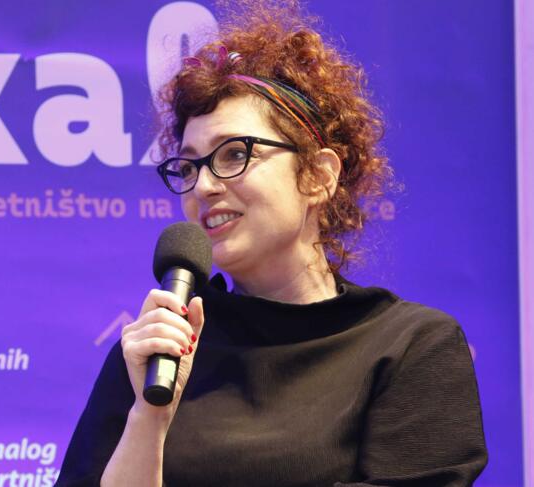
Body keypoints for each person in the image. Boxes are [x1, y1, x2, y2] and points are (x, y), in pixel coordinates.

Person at [56, 1, 487, 485]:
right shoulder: (157, 351)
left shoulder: (410, 346)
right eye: (189, 166)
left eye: (234, 154)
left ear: (317, 176)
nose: (203, 186)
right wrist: (149, 417)